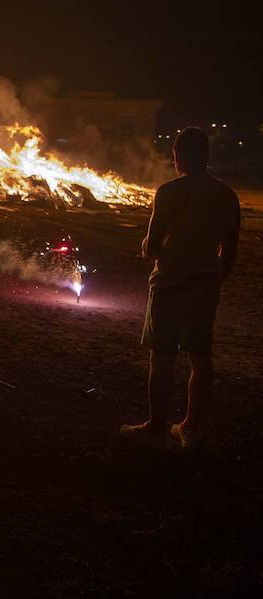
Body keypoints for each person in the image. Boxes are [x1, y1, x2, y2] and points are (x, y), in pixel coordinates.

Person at [120, 127, 240, 450]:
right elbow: (229, 252)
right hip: (205, 283)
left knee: (162, 358)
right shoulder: (227, 196)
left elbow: (153, 246)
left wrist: (147, 245)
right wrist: (213, 280)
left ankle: (157, 428)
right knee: (201, 359)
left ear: (179, 156)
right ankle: (190, 428)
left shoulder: (170, 192)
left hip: (170, 283)